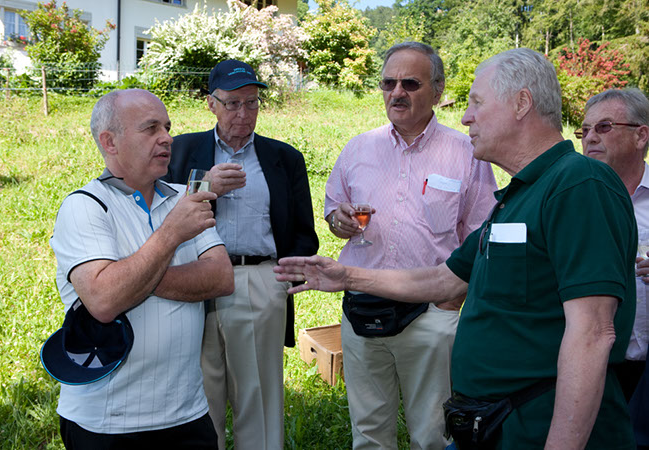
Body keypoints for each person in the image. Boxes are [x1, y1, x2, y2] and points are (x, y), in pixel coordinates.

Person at [275, 48, 637, 449]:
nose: (466, 116)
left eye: (477, 102)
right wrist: (346, 276)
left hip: (538, 427)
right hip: (498, 424)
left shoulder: (578, 184)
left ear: (521, 103)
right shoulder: (518, 196)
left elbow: (593, 333)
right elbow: (445, 277)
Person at [324, 42, 496, 449]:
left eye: (410, 83)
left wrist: (454, 300)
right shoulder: (358, 148)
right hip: (363, 308)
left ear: (437, 91)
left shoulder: (467, 153)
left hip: (432, 317)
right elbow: (332, 213)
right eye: (388, 83)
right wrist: (341, 221)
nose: (396, 92)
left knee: (433, 432)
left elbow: (480, 233)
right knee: (367, 431)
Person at [49, 89, 234, 449]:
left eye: (167, 127)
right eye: (150, 129)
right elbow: (103, 301)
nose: (167, 138)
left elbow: (221, 278)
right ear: (110, 142)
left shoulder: (185, 198)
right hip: (107, 424)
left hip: (188, 414)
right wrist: (169, 236)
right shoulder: (84, 207)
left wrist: (130, 276)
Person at [163, 60, 319, 450]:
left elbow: (303, 231)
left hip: (257, 282)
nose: (243, 114)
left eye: (251, 103)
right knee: (196, 397)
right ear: (210, 104)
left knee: (259, 397)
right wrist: (204, 186)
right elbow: (152, 215)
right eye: (232, 104)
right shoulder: (179, 151)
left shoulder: (284, 158)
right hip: (190, 281)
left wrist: (278, 281)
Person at [580, 88, 649, 401]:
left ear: (641, 136)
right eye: (585, 129)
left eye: (604, 127)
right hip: (594, 367)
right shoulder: (573, 202)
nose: (590, 137)